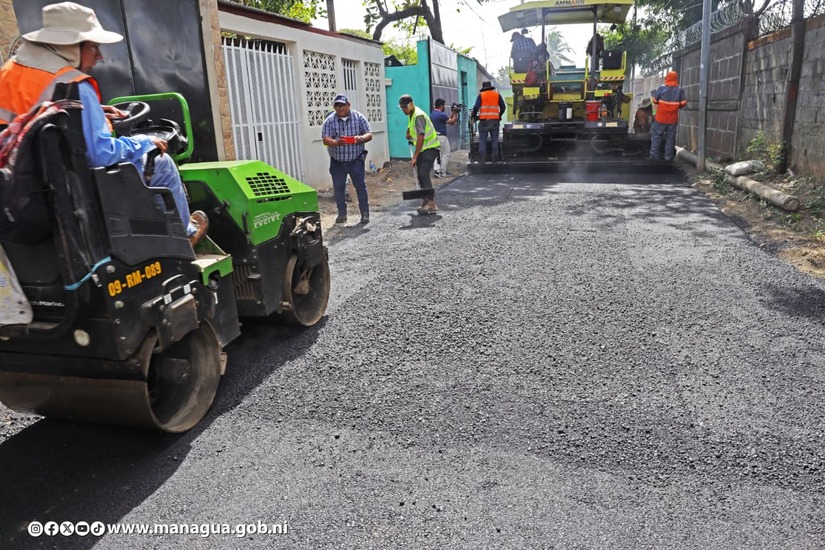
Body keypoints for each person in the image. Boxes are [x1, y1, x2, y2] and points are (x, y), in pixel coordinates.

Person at [0, 2, 208, 246]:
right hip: (79, 189)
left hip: (25, 192)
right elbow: (100, 154)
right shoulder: (74, 84)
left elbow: (33, 117)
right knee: (162, 164)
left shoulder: (9, 74)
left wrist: (93, 113)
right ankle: (182, 235)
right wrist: (143, 142)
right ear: (71, 46)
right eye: (93, 47)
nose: (99, 55)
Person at [321, 94, 373, 225]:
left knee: (360, 187)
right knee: (338, 188)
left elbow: (369, 134)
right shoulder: (330, 120)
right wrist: (335, 142)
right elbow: (325, 138)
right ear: (334, 107)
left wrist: (360, 138)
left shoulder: (359, 118)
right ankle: (342, 214)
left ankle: (365, 214)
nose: (340, 108)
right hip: (337, 161)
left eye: (342, 105)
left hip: (355, 160)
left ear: (348, 105)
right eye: (337, 106)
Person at [398, 94, 440, 214]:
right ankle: (426, 201)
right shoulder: (411, 114)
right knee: (420, 173)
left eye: (404, 107)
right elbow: (412, 128)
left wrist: (415, 156)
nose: (403, 110)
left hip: (431, 147)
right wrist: (408, 133)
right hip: (423, 149)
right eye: (401, 108)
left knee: (423, 173)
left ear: (410, 105)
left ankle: (431, 202)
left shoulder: (418, 116)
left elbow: (421, 137)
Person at [650, 71, 687, 161]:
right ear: (676, 79)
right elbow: (683, 103)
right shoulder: (680, 90)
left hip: (661, 118)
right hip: (672, 119)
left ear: (667, 78)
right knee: (670, 137)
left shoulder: (662, 88)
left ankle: (654, 156)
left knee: (657, 136)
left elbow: (655, 101)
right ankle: (668, 156)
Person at [470, 81, 506, 164]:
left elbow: (476, 107)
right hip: (495, 121)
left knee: (482, 139)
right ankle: (494, 158)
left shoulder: (481, 95)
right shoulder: (497, 95)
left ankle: (482, 159)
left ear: (483, 88)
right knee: (494, 139)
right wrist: (499, 115)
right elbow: (503, 107)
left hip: (484, 121)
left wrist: (474, 114)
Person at [430, 98, 458, 178]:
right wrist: (455, 113)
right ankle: (443, 171)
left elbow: (446, 119)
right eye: (444, 105)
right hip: (442, 137)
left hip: (434, 137)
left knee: (436, 154)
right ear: (441, 106)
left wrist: (452, 113)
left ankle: (437, 171)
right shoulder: (441, 114)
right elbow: (452, 122)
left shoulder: (433, 113)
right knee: (446, 153)